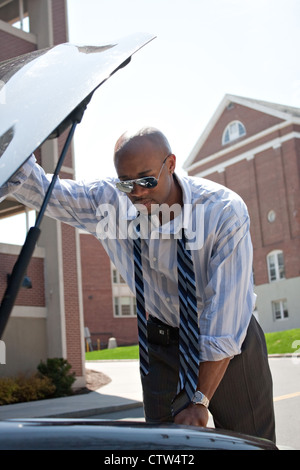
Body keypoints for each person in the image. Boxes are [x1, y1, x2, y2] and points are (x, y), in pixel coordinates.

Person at [0, 127, 276, 442]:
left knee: (251, 442)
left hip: (232, 345)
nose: (137, 193)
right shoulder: (110, 203)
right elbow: (45, 191)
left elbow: (226, 316)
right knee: (163, 447)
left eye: (146, 180)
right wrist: (10, 143)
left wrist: (199, 398)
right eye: (126, 183)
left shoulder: (223, 211)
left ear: (170, 164)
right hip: (163, 343)